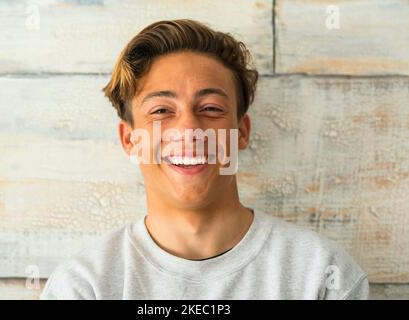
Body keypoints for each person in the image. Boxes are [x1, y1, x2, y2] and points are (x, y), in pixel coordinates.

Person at [40, 19, 369, 300]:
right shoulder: (83, 286)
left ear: (241, 132)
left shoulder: (323, 276)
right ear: (130, 140)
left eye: (211, 108)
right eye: (161, 111)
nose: (189, 130)